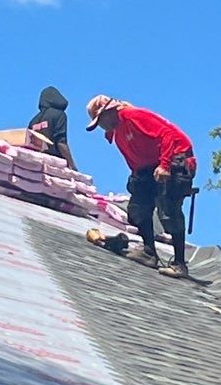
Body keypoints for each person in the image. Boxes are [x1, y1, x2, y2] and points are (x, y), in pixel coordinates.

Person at [84, 94, 197, 279]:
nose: (101, 126)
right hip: (150, 165)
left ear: (110, 112)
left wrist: (165, 165)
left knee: (169, 210)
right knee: (137, 209)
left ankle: (179, 264)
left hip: (176, 158)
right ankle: (148, 252)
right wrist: (137, 178)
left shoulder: (133, 116)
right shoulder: (117, 133)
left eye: (100, 120)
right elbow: (135, 159)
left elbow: (167, 134)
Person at [28, 86, 75, 169]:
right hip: (55, 163)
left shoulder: (33, 121)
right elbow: (61, 142)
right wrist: (72, 165)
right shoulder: (59, 114)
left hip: (37, 164)